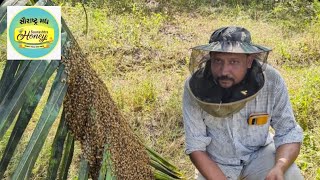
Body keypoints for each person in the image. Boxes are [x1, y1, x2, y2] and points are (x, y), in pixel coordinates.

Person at [182, 26, 304, 180]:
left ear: (249, 61)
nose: (224, 71)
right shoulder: (195, 87)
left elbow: (288, 132)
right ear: (210, 57)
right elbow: (196, 146)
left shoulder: (272, 80)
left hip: (259, 154)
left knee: (290, 176)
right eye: (218, 60)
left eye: (233, 62)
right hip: (215, 162)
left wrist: (279, 167)